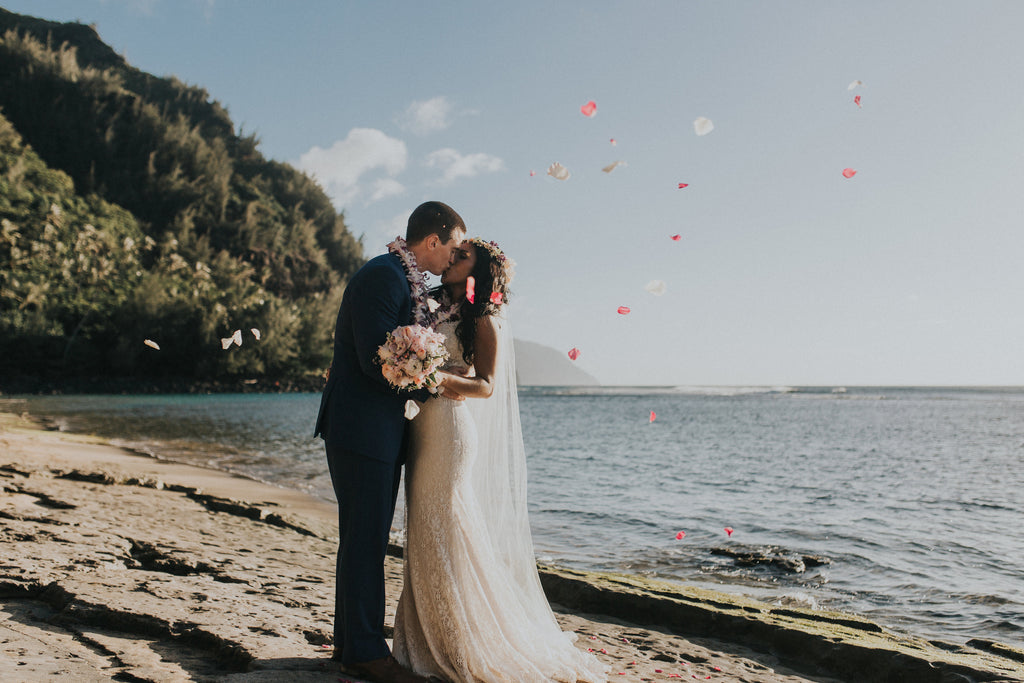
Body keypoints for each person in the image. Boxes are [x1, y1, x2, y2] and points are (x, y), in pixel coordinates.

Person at [393, 238, 609, 682]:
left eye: (463, 255)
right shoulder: (430, 306)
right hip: (421, 430)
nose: (452, 257)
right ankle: (426, 635)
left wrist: (431, 374)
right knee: (425, 528)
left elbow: (487, 385)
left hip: (450, 430)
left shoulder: (484, 320)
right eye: (454, 252)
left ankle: (458, 641)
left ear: (481, 272)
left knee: (446, 528)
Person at [314, 201, 466, 683]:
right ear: (433, 240)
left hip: (371, 429)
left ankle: (349, 644)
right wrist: (434, 380)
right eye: (455, 247)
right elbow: (376, 360)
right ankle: (364, 652)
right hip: (361, 428)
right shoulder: (384, 276)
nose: (454, 258)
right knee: (366, 540)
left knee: (362, 538)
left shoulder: (402, 280)